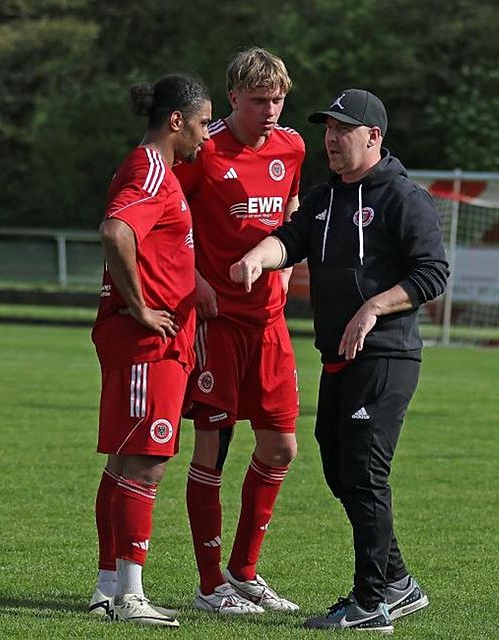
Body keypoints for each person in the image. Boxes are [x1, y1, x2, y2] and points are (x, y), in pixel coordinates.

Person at [231, 88, 450, 633]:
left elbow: (432, 274)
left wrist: (373, 307)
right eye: (327, 129)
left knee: (365, 471)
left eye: (342, 129)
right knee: (339, 469)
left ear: (373, 136)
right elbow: (291, 239)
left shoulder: (404, 198)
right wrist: (260, 255)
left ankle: (372, 601)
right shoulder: (325, 199)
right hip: (338, 361)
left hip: (386, 357)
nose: (330, 138)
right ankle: (397, 583)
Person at [172, 46, 305, 615]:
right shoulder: (204, 152)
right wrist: (196, 280)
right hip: (218, 325)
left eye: (278, 99)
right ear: (232, 98)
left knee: (281, 447)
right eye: (259, 101)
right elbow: (167, 220)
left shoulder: (293, 146)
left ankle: (245, 573)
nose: (271, 110)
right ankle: (209, 587)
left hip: (271, 323)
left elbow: (293, 210)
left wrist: (288, 258)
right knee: (212, 450)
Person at [87, 74, 212, 628]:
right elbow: (115, 231)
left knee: (122, 462)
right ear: (177, 121)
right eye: (204, 123)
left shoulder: (154, 169)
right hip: (148, 342)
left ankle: (108, 588)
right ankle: (130, 595)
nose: (207, 136)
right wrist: (139, 306)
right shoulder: (151, 169)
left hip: (154, 341)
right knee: (148, 463)